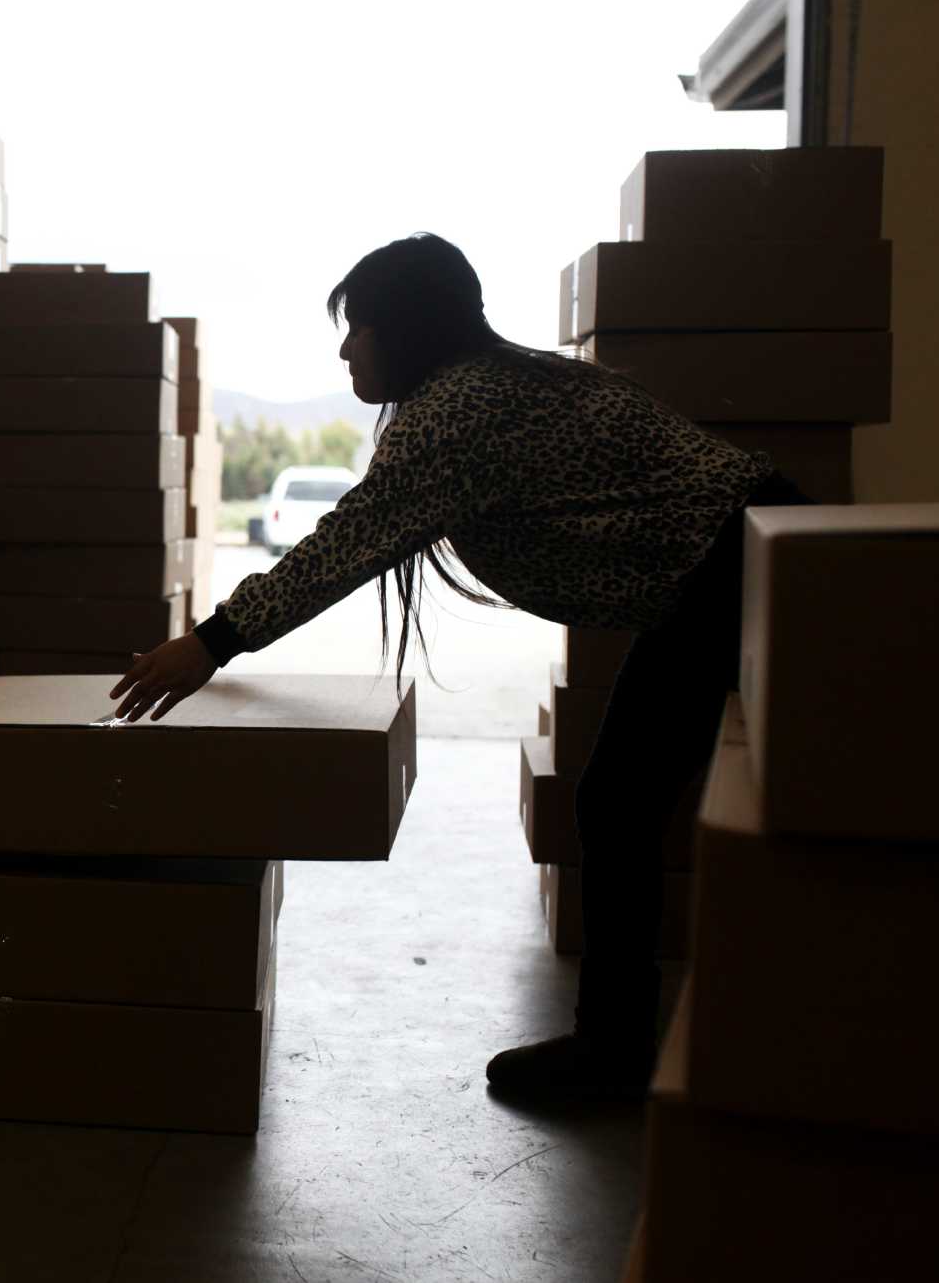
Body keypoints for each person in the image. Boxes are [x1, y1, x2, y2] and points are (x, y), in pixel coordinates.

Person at [109, 233, 807, 1097]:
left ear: (403, 329)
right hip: (748, 556)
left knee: (625, 798)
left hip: (737, 566)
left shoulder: (456, 412)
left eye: (357, 327)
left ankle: (619, 1049)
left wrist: (208, 642)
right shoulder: (503, 383)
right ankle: (630, 1039)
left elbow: (343, 545)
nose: (344, 347)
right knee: (625, 797)